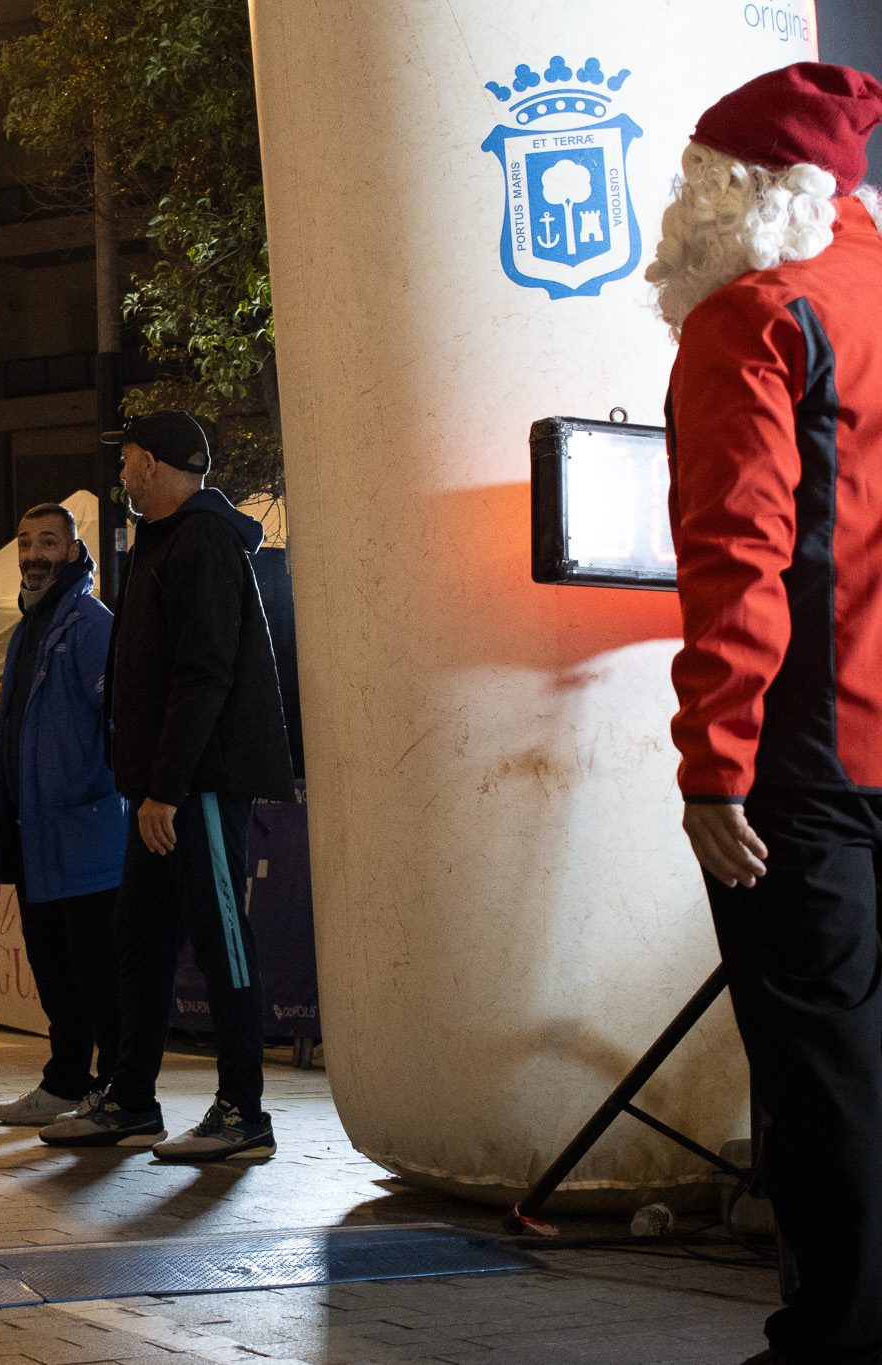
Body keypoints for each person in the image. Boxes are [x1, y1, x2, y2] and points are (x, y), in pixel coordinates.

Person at [651, 64, 882, 1365]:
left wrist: (712, 762)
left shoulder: (751, 316)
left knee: (819, 1067)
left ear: (741, 189)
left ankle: (836, 1341)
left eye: (697, 177)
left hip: (807, 752)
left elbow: (739, 555)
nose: (682, 202)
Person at [40, 411, 293, 1158]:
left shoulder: (204, 540)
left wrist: (168, 788)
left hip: (197, 785)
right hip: (168, 784)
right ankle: (130, 1100)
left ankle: (243, 1112)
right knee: (140, 937)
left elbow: (203, 673)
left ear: (151, 462)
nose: (120, 473)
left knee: (221, 939)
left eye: (126, 460)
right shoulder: (168, 539)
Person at [0, 503, 128, 1127]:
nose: (33, 554)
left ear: (72, 552)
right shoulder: (29, 628)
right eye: (24, 542)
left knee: (98, 972)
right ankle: (67, 1081)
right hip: (34, 831)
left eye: (47, 542)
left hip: (84, 833)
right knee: (53, 969)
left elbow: (122, 719)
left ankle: (121, 1093)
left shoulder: (90, 623)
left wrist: (98, 792)